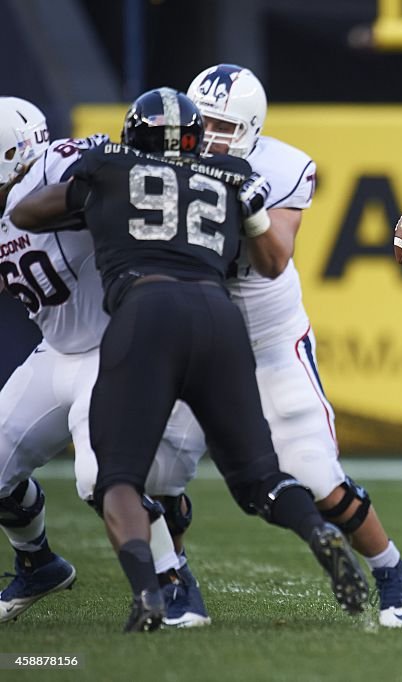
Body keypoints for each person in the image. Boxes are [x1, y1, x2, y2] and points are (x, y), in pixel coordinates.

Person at [11, 88, 367, 631]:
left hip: (142, 316)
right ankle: (316, 531)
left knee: (116, 477)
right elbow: (271, 260)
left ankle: (156, 590)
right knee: (258, 477)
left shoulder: (107, 166)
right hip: (218, 318)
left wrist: (97, 177)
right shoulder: (228, 174)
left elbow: (28, 211)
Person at [169, 63, 402, 628]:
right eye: (199, 121)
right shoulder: (161, 163)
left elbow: (274, 258)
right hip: (196, 341)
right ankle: (173, 578)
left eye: (222, 126)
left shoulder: (280, 167)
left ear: (251, 128)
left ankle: (390, 568)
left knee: (316, 474)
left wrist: (249, 208)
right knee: (157, 473)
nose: (207, 136)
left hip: (269, 338)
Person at [0, 97, 202, 625]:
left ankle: (173, 583)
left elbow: (115, 162)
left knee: (101, 477)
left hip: (112, 347)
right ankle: (37, 562)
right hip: (56, 352)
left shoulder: (52, 165)